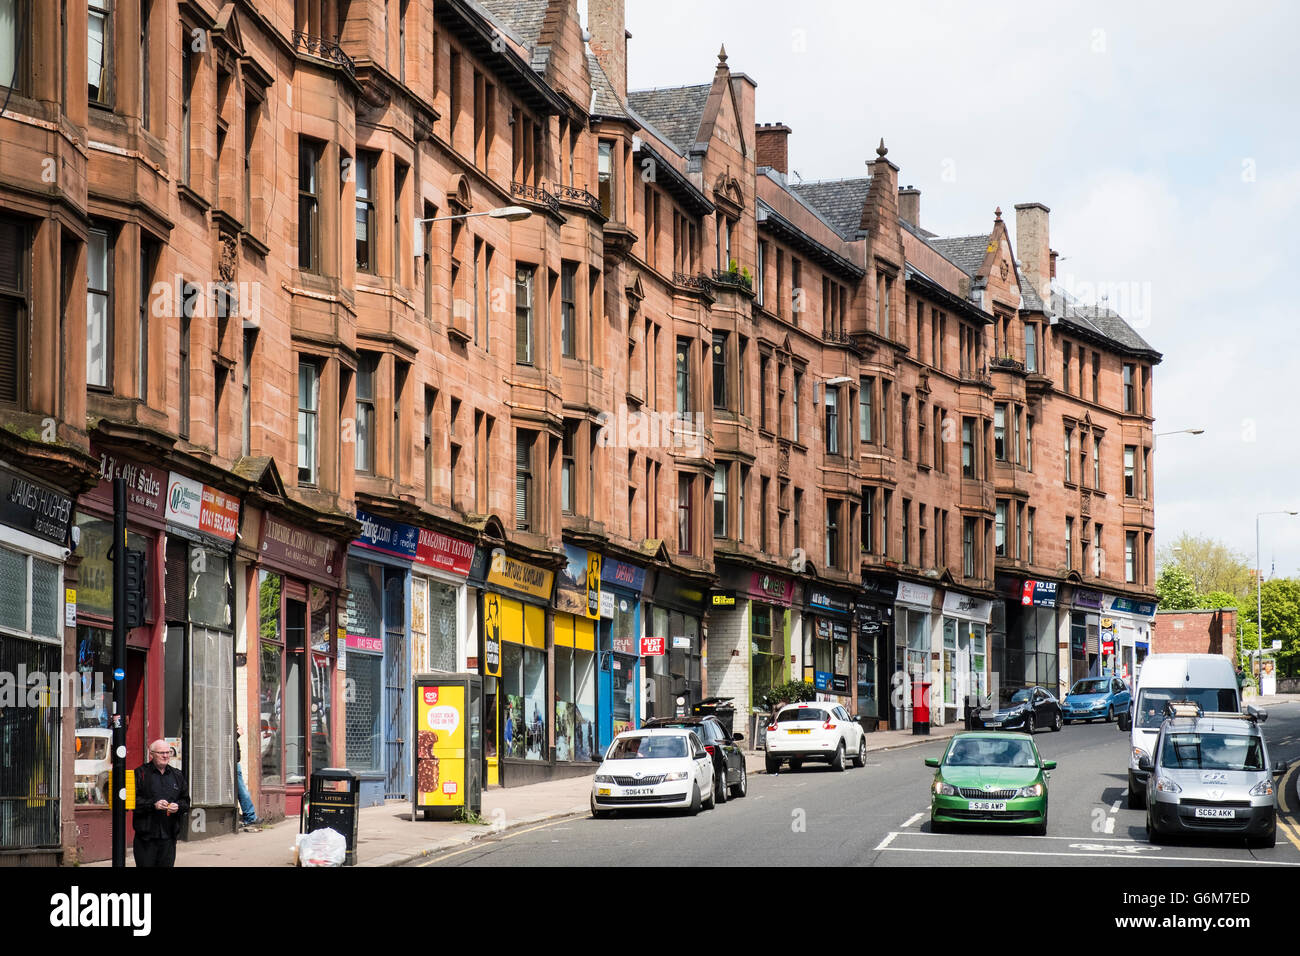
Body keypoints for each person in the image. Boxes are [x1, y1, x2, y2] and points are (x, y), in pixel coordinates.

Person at [133, 740, 190, 867]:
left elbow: (186, 801)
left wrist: (178, 806)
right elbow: (132, 802)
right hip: (146, 837)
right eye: (161, 753)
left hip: (169, 836)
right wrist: (153, 804)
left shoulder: (177, 775)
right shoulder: (140, 773)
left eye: (168, 752)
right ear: (151, 754)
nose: (165, 756)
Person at [235, 725, 262, 828]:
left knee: (240, 791)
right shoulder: (226, 723)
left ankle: (248, 817)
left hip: (234, 763)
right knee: (242, 791)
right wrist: (237, 733)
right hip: (232, 764)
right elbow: (226, 740)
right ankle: (250, 817)